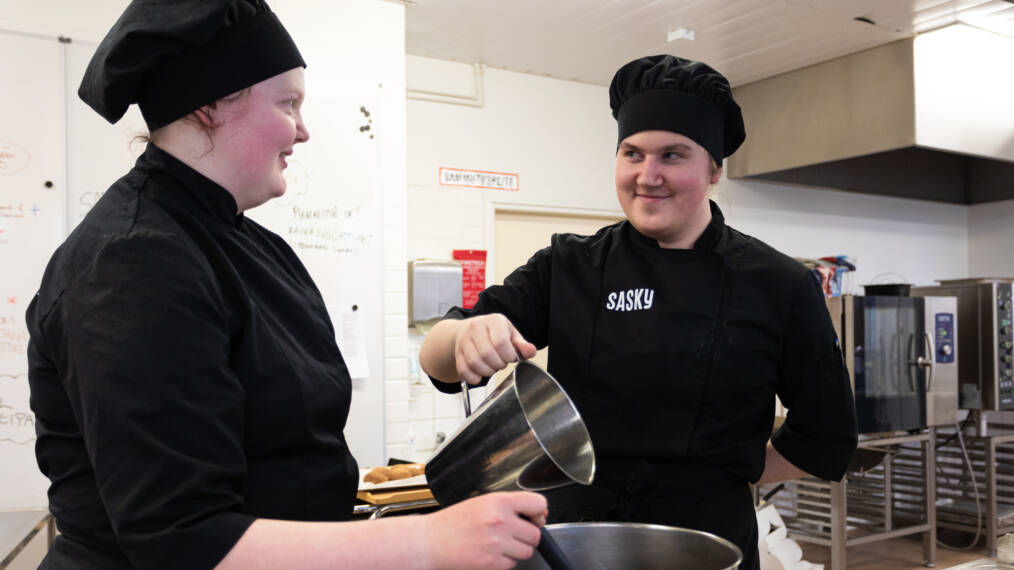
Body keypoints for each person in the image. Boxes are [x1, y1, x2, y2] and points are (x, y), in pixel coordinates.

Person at [26, 1, 546, 568]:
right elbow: (182, 539)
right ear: (208, 106)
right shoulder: (131, 263)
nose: (303, 130)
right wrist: (430, 541)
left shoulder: (253, 245)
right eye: (288, 104)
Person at [419, 54, 859, 570]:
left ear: (714, 170)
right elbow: (436, 358)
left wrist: (725, 473)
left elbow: (827, 436)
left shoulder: (777, 283)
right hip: (572, 539)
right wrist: (463, 336)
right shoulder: (569, 265)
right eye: (632, 153)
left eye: (672, 155)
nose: (647, 176)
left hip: (708, 542)